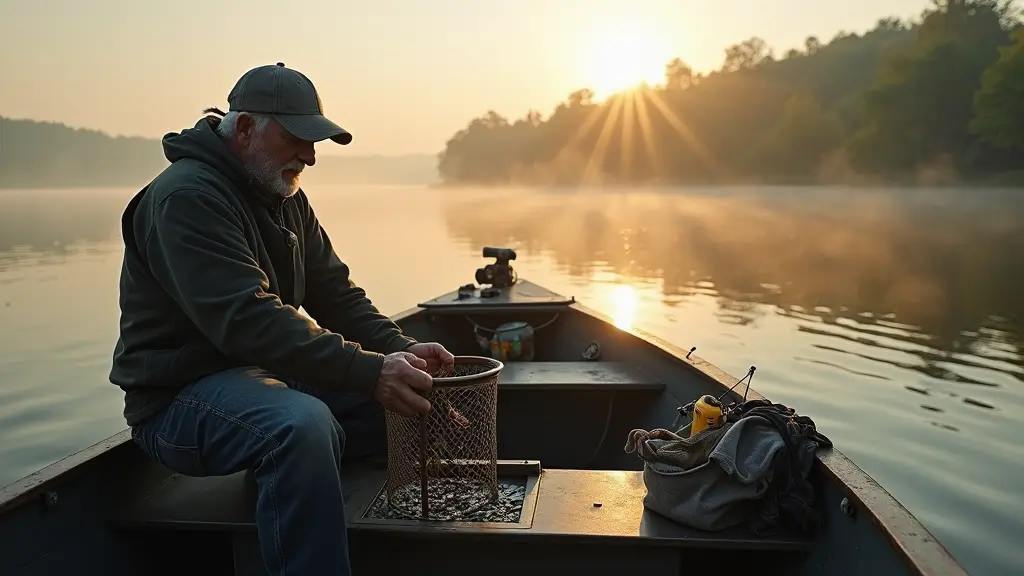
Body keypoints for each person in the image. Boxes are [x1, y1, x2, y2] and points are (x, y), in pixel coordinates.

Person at [109, 62, 454, 576]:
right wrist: (369, 371)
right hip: (178, 402)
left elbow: (335, 293)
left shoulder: (282, 193)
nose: (310, 156)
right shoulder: (187, 198)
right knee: (300, 426)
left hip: (263, 376)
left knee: (408, 405)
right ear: (245, 128)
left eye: (315, 141)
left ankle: (300, 501)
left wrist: (398, 351)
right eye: (297, 138)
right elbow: (248, 321)